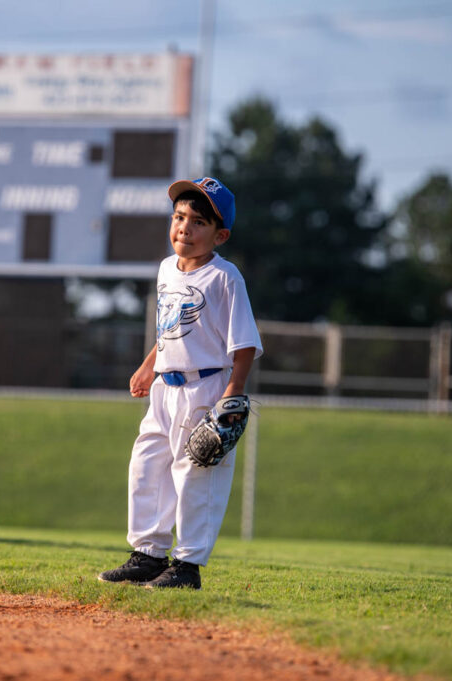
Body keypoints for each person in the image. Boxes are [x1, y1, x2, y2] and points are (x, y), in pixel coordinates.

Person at [98, 177, 262, 590]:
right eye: (179, 217)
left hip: (205, 387)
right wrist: (148, 366)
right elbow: (169, 330)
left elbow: (243, 343)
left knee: (195, 475)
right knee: (147, 467)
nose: (184, 228)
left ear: (220, 235)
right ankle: (148, 555)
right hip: (164, 389)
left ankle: (187, 566)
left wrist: (234, 391)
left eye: (198, 222)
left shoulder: (225, 277)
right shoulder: (165, 269)